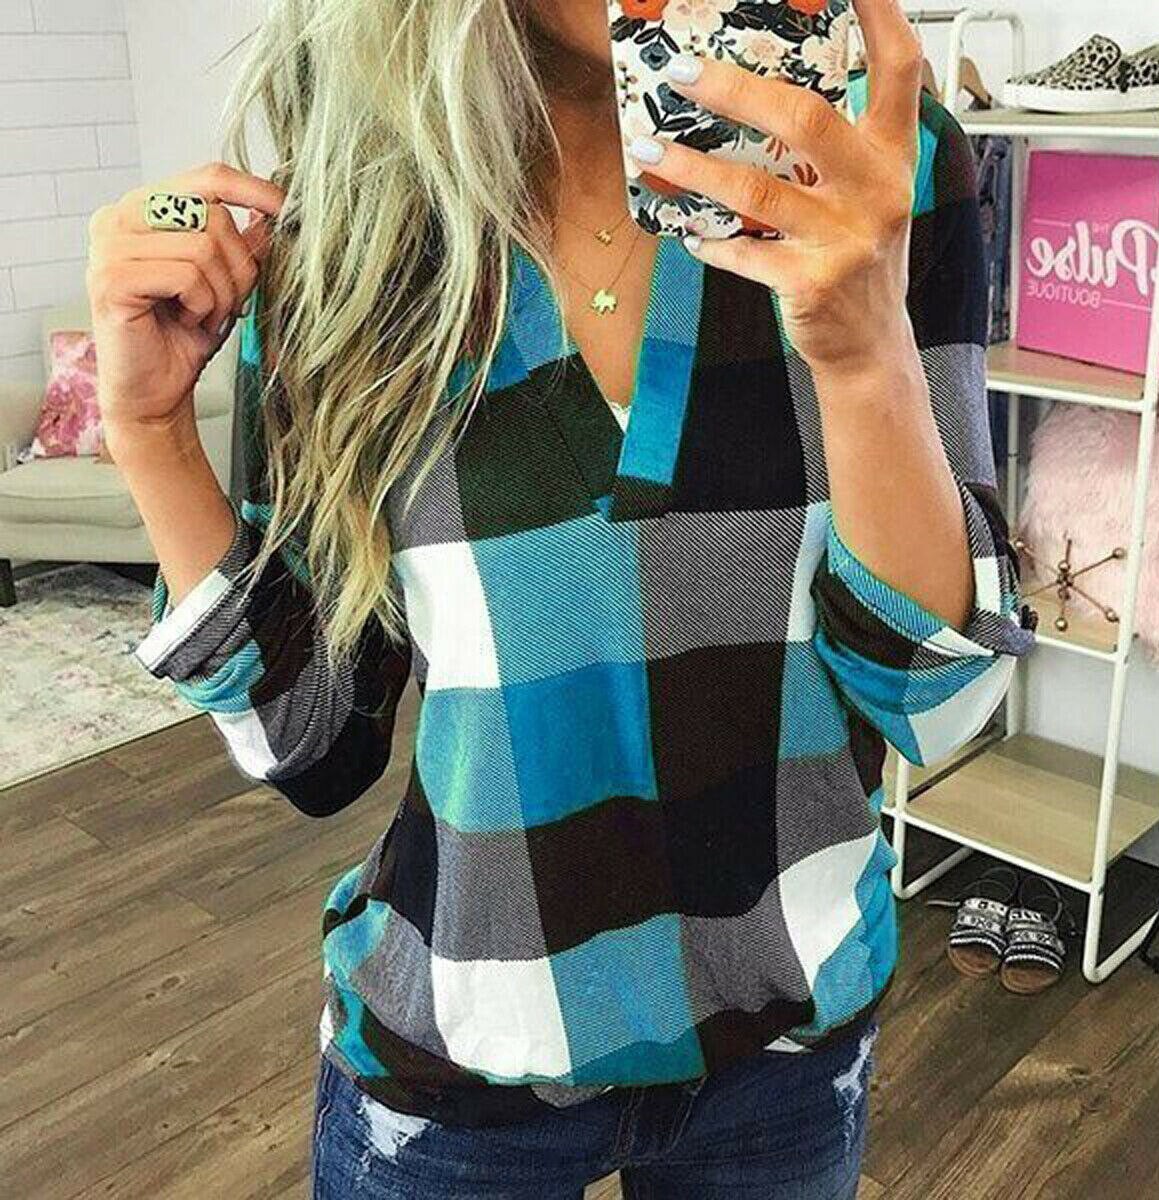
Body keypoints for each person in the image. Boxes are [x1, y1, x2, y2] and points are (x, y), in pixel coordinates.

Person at [88, 1, 1036, 1195]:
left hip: (785, 1046)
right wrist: (152, 433)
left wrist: (862, 360)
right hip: (457, 1059)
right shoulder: (359, 218)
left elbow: (936, 701)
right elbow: (314, 741)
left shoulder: (879, 155)